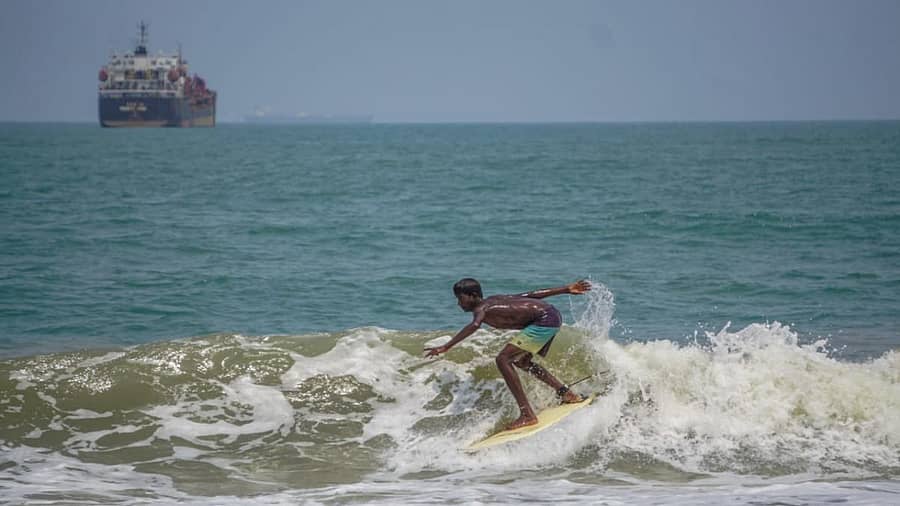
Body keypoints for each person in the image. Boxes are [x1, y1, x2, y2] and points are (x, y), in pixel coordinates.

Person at [424, 278, 592, 430]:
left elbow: (475, 325)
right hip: (551, 316)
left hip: (544, 320)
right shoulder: (493, 300)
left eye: (460, 298)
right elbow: (530, 295)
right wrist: (565, 289)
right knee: (522, 362)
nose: (458, 303)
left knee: (503, 359)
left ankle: (527, 414)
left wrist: (445, 347)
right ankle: (566, 393)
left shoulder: (481, 309)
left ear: (473, 295)